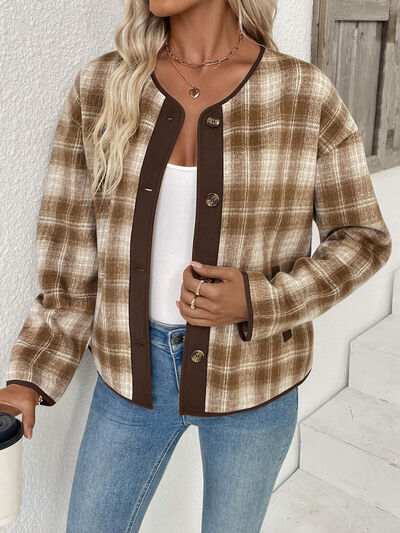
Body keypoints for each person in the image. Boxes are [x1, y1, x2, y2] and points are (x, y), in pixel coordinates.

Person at [0, 1, 392, 532]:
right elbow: (70, 253)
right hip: (130, 378)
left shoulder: (303, 94)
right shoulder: (101, 87)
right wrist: (29, 375)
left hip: (252, 382)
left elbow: (363, 238)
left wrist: (259, 299)